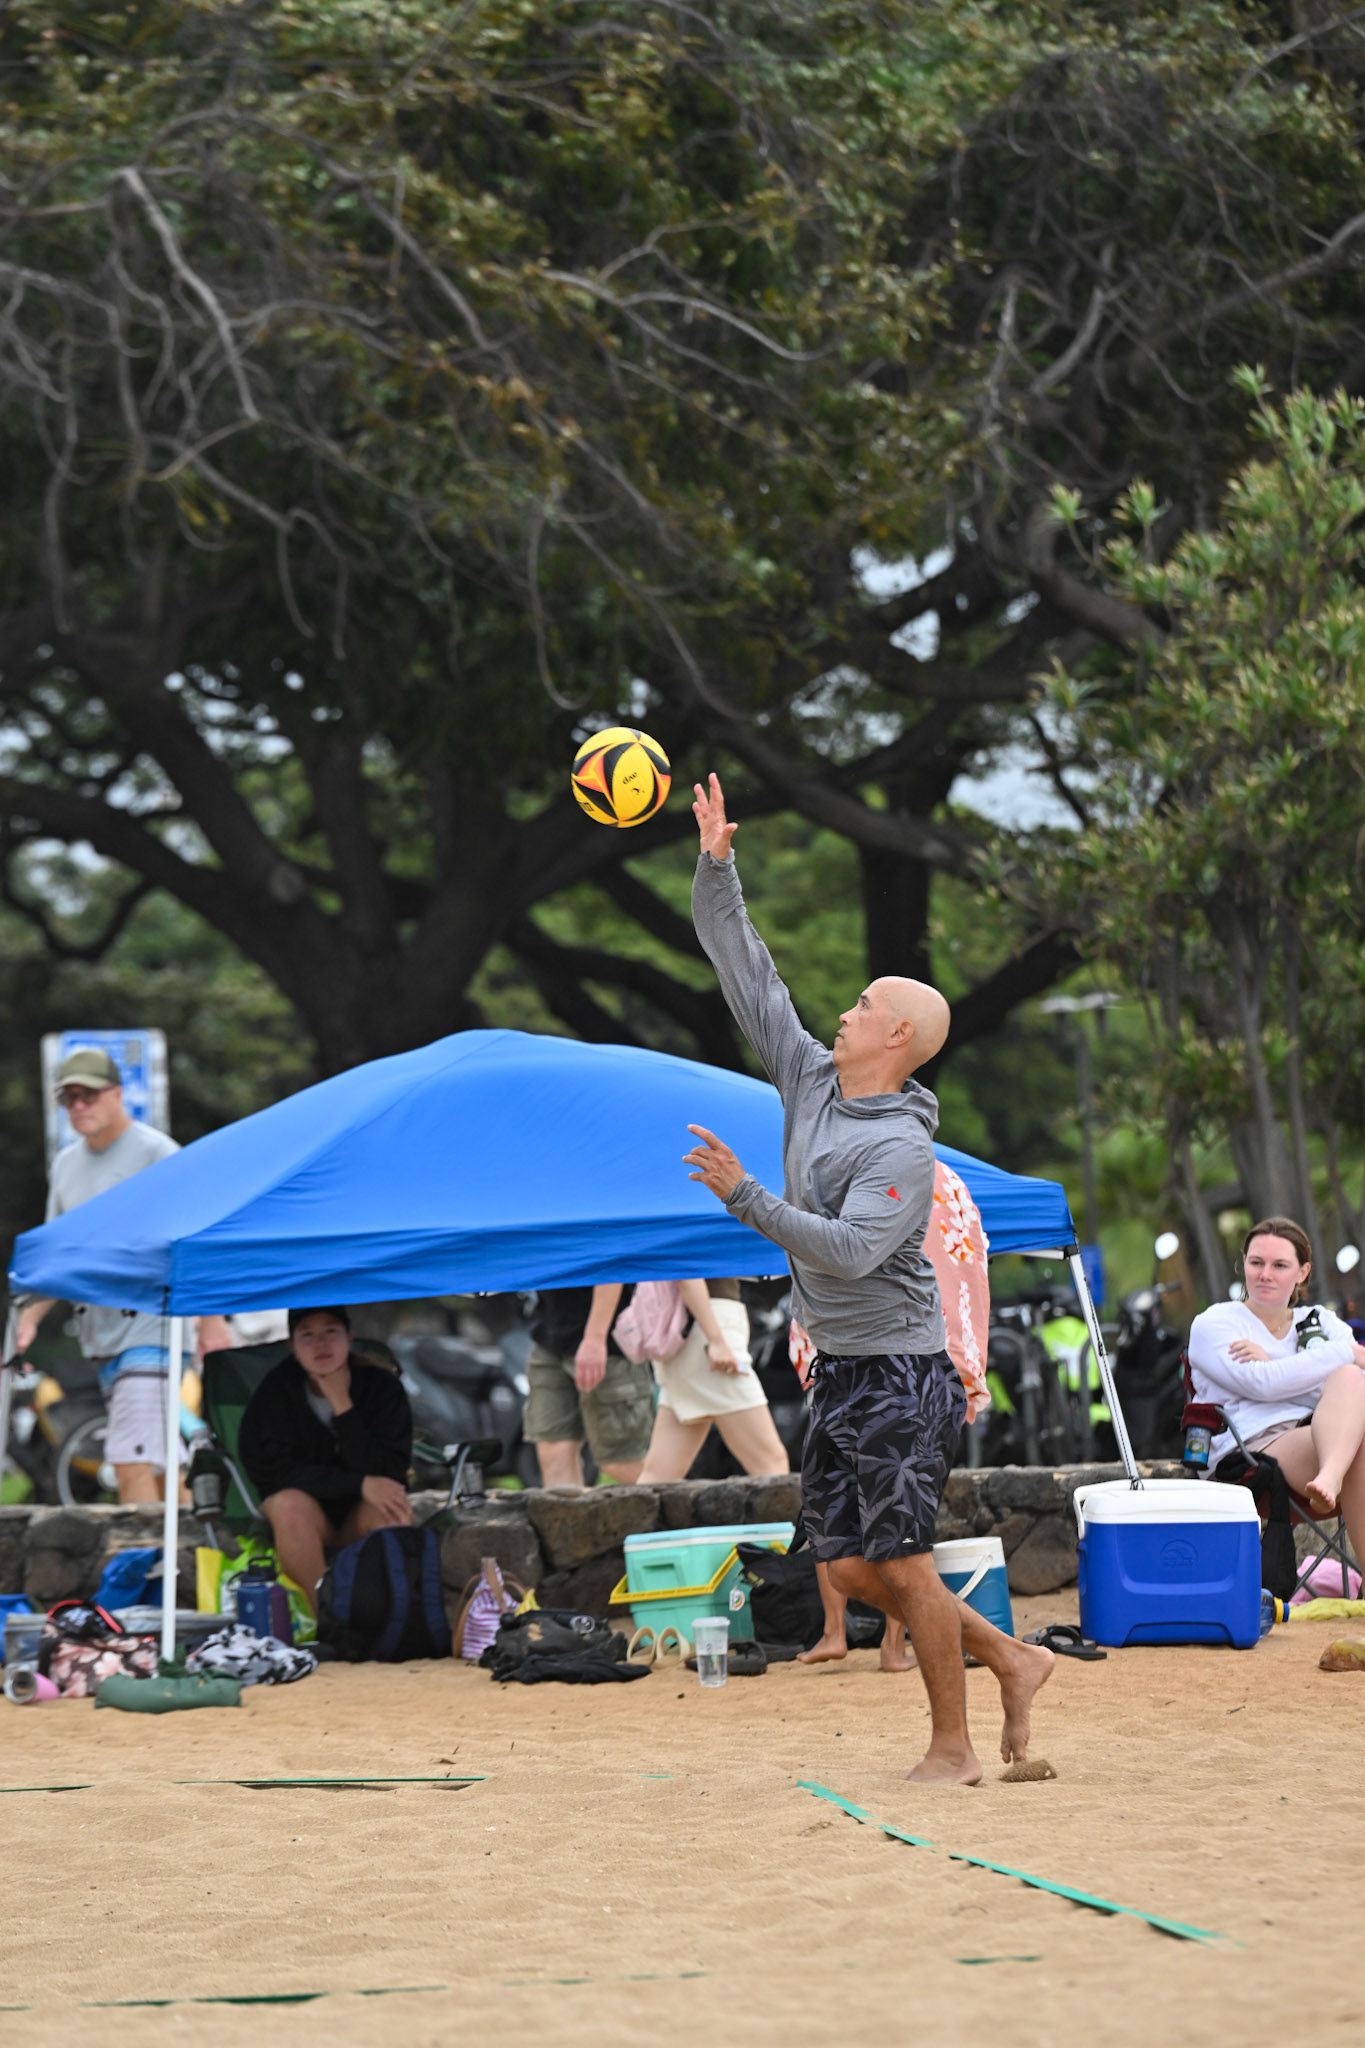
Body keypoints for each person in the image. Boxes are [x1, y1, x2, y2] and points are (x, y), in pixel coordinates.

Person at [685, 773, 1051, 1782]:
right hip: (841, 1368)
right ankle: (1012, 1657)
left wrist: (746, 1197)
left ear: (900, 1039)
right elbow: (748, 976)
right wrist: (719, 869)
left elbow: (847, 1248)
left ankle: (955, 1744)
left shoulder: (901, 1149)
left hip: (900, 1372)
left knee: (899, 1563)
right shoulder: (809, 1080)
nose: (843, 1010)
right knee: (846, 1565)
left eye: (863, 1005)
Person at [798, 1158, 992, 1672]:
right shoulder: (926, 1174)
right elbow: (972, 1269)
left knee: (898, 1545)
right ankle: (987, 1651)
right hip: (875, 1348)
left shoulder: (878, 1165)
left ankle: (865, 1637)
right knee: (856, 1545)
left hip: (904, 1354)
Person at [14, 1046, 186, 1505]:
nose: (78, 1106)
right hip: (100, 1337)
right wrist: (26, 1320)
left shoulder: (157, 1152)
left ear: (116, 1094)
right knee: (166, 1463)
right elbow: (58, 1253)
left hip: (154, 1326)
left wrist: (211, 1326)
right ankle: (198, 1563)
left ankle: (145, 1567)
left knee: (127, 1458)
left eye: (88, 1095)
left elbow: (193, 1238)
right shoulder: (66, 1165)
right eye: (69, 1098)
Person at [1187, 1216, 1365, 1569]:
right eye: (1256, 1262)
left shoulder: (1321, 1320)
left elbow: (1351, 1385)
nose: (1265, 1274)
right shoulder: (1214, 1323)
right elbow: (1262, 1386)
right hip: (1250, 1449)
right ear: (1244, 1265)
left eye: (1279, 1265)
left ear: (1302, 1272)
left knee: (1348, 1380)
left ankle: (1331, 1474)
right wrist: (1338, 1356)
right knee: (1347, 1380)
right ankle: (1330, 1473)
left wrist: (1276, 1360)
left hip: (1324, 1436)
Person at [238, 1306, 413, 1614]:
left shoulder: (381, 1387)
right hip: (303, 1516)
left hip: (357, 1515)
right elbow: (272, 1473)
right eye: (308, 1335)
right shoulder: (275, 1392)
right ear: (292, 1345)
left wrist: (342, 1406)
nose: (321, 1344)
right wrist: (358, 1484)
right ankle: (325, 1624)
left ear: (349, 1338)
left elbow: (389, 1471)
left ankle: (386, 1623)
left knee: (392, 1508)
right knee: (289, 1504)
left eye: (331, 1332)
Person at [636, 1279, 789, 1482]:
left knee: (660, 1476)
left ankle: (641, 1514)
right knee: (771, 1463)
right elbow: (688, 1268)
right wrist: (715, 1339)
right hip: (709, 1331)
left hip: (696, 1332)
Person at [524, 1284, 654, 1486]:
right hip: (550, 1335)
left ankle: (680, 1512)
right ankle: (567, 1518)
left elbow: (610, 1263)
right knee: (555, 1451)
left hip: (608, 1342)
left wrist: (595, 1338)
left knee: (621, 1460)